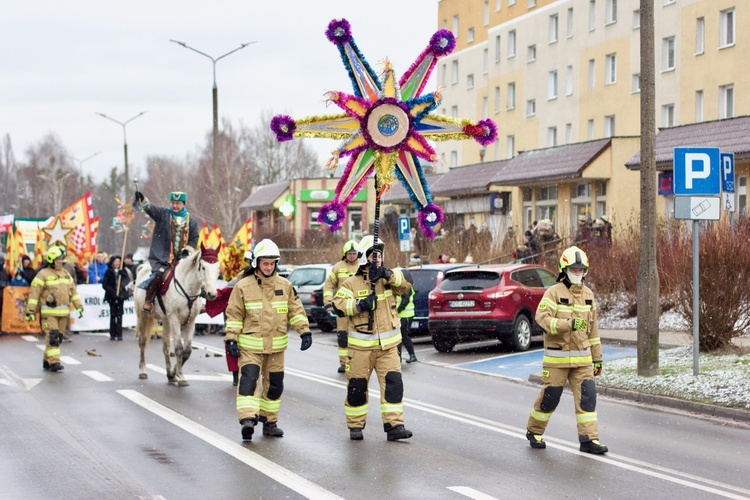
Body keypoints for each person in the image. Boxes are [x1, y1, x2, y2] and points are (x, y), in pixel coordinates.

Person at [223, 239, 312, 441]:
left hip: (276, 348)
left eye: (272, 263)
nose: (269, 267)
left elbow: (296, 310)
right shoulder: (243, 286)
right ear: (256, 263)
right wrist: (231, 339)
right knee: (248, 381)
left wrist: (304, 331)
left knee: (274, 385)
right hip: (250, 347)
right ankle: (247, 420)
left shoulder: (285, 286)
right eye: (265, 263)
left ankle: (269, 422)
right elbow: (234, 314)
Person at [525, 245, 608, 455]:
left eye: (581, 269)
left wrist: (597, 359)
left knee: (587, 399)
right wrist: (567, 324)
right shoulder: (553, 293)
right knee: (550, 397)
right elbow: (542, 319)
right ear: (564, 269)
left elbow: (593, 330)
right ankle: (534, 431)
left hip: (583, 359)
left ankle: (589, 439)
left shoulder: (588, 295)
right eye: (574, 269)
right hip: (557, 359)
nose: (578, 273)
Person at [332, 235, 413, 441]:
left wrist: (386, 274)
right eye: (372, 254)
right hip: (360, 349)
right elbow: (338, 305)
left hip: (388, 347)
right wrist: (360, 305)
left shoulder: (389, 278)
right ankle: (355, 426)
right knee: (357, 388)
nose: (376, 258)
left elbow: (406, 282)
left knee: (393, 387)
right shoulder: (351, 283)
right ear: (364, 257)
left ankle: (394, 426)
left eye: (379, 254)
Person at [133, 190, 199, 314]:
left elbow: (194, 238)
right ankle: (149, 301)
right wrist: (142, 199)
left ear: (183, 204)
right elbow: (150, 208)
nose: (174, 205)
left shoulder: (192, 221)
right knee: (158, 275)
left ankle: (197, 304)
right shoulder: (163, 214)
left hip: (182, 259)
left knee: (195, 275)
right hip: (162, 258)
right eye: (173, 203)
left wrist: (187, 251)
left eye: (178, 203)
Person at [25, 246, 83, 372]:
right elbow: (34, 294)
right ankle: (54, 362)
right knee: (53, 337)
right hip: (49, 313)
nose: (60, 261)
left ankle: (47, 359)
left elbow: (73, 292)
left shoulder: (66, 274)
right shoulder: (43, 274)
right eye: (57, 259)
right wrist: (30, 311)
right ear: (51, 259)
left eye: (61, 259)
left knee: (58, 338)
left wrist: (79, 307)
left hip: (63, 314)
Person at [324, 239, 360, 373]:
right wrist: (328, 302)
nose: (352, 255)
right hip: (342, 309)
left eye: (354, 253)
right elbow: (329, 285)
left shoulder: (361, 267)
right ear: (345, 254)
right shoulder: (338, 267)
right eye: (349, 253)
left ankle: (356, 363)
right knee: (343, 337)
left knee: (358, 337)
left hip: (358, 309)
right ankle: (344, 364)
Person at [102, 255, 132, 341]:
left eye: (118, 262)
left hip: (120, 297)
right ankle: (112, 333)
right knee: (112, 315)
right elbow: (105, 284)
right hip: (111, 297)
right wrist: (113, 292)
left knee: (119, 315)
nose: (117, 263)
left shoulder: (123, 272)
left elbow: (126, 283)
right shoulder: (108, 272)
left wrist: (121, 292)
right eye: (115, 261)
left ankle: (119, 334)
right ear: (112, 262)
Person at [396, 269, 417, 364]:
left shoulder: (406, 286)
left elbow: (405, 300)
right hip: (402, 316)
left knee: (402, 336)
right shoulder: (400, 286)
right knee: (400, 336)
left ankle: (410, 355)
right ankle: (401, 357)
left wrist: (397, 310)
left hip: (405, 315)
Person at [0, 255, 10, 320]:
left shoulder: (5, 271)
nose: (1, 263)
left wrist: (7, 284)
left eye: (2, 261)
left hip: (4, 295)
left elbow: (7, 280)